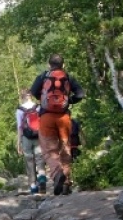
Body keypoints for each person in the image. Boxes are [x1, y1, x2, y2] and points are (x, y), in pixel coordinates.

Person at [29, 54, 84, 195]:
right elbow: (80, 94)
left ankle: (57, 173)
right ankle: (66, 184)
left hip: (46, 117)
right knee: (65, 149)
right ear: (63, 65)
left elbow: (34, 91)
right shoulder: (68, 77)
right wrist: (68, 101)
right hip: (64, 118)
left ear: (49, 64)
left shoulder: (43, 77)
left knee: (49, 151)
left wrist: (44, 99)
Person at [16, 89, 47, 194]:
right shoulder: (37, 107)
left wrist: (18, 143)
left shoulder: (19, 110)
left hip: (26, 138)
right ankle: (42, 178)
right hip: (38, 136)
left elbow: (20, 127)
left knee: (29, 162)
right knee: (40, 159)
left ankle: (33, 187)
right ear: (31, 96)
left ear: (22, 97)